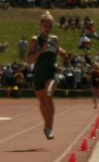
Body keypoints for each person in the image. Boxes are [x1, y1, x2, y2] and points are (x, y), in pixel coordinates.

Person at [26, 11, 68, 140]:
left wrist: (62, 54)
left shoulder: (54, 39)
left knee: (48, 95)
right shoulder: (35, 40)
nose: (48, 28)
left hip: (52, 72)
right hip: (38, 74)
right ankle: (47, 125)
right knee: (43, 103)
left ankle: (49, 127)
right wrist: (40, 50)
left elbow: (58, 52)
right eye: (45, 26)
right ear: (40, 25)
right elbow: (28, 60)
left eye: (50, 26)